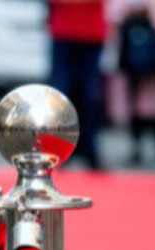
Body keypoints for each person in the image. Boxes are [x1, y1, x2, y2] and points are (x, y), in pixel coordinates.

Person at [47, 0, 107, 170]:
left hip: (90, 32)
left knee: (90, 96)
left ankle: (88, 146)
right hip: (64, 31)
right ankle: (60, 146)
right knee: (61, 96)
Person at [113, 0, 155, 164]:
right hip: (131, 56)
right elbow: (114, 15)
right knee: (132, 104)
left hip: (153, 58)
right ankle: (136, 146)